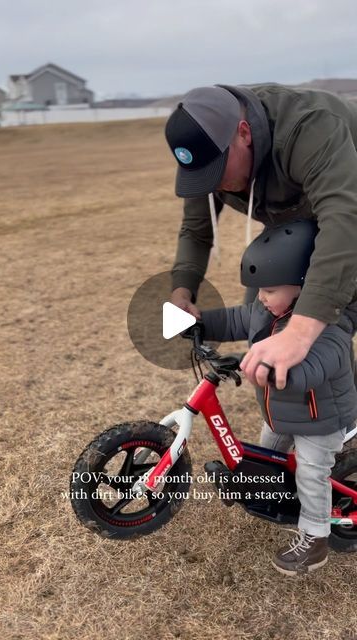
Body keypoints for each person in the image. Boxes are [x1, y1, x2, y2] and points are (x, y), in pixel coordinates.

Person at [164, 83, 357, 391]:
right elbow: (196, 230)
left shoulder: (309, 129)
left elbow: (344, 222)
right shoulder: (206, 155)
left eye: (218, 171)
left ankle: (341, 421)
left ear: (244, 133)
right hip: (301, 218)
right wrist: (182, 292)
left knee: (323, 320)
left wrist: (299, 332)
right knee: (266, 322)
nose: (216, 185)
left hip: (347, 205)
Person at [194, 220, 357, 575]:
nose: (260, 297)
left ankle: (315, 540)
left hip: (319, 419)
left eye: (268, 289)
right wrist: (197, 322)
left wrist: (278, 369)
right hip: (281, 414)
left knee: (312, 472)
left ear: (302, 286)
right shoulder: (265, 309)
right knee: (268, 456)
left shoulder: (329, 326)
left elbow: (314, 367)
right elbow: (235, 319)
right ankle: (274, 498)